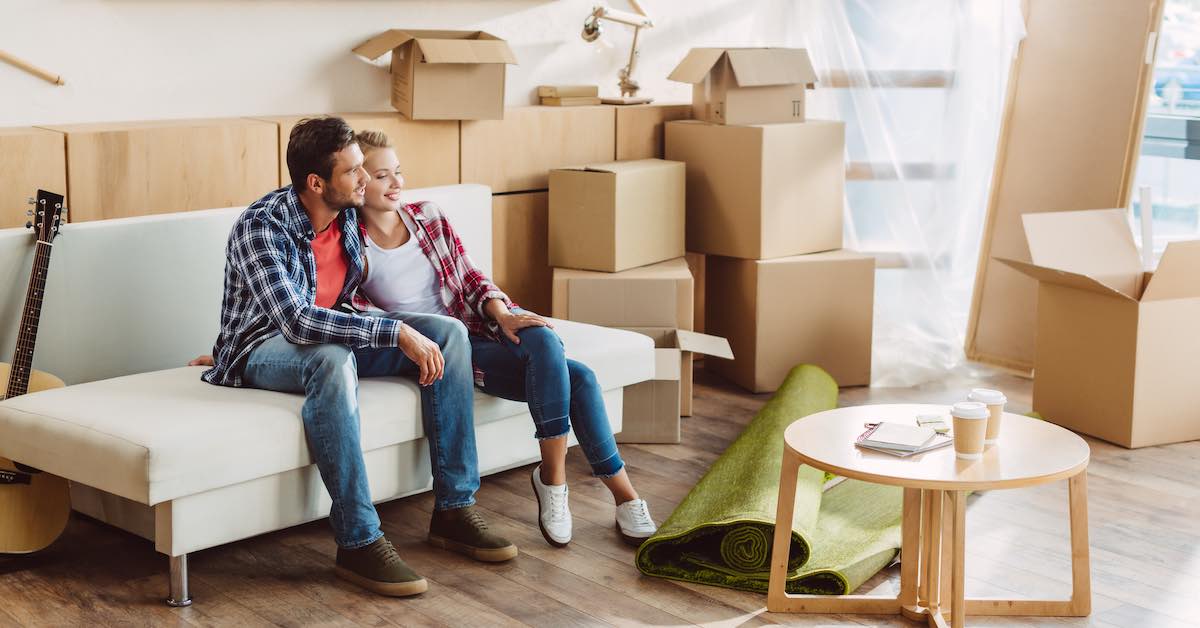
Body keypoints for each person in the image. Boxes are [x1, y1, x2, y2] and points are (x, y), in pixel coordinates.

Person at [200, 117, 515, 598]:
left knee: (447, 335)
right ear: (316, 182)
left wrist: (427, 324)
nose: (365, 178)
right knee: (328, 358)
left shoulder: (347, 214)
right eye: (353, 171)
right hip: (260, 348)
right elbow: (299, 323)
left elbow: (395, 265)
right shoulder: (261, 227)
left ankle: (454, 508)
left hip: (336, 334)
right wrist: (393, 332)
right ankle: (358, 540)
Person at [351, 130, 657, 548]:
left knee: (543, 340)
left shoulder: (427, 216)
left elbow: (471, 276)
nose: (397, 183)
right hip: (443, 349)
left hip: (478, 326)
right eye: (383, 175)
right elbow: (358, 312)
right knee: (580, 379)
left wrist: (503, 314)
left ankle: (554, 480)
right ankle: (622, 496)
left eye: (399, 172)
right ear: (358, 181)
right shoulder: (349, 243)